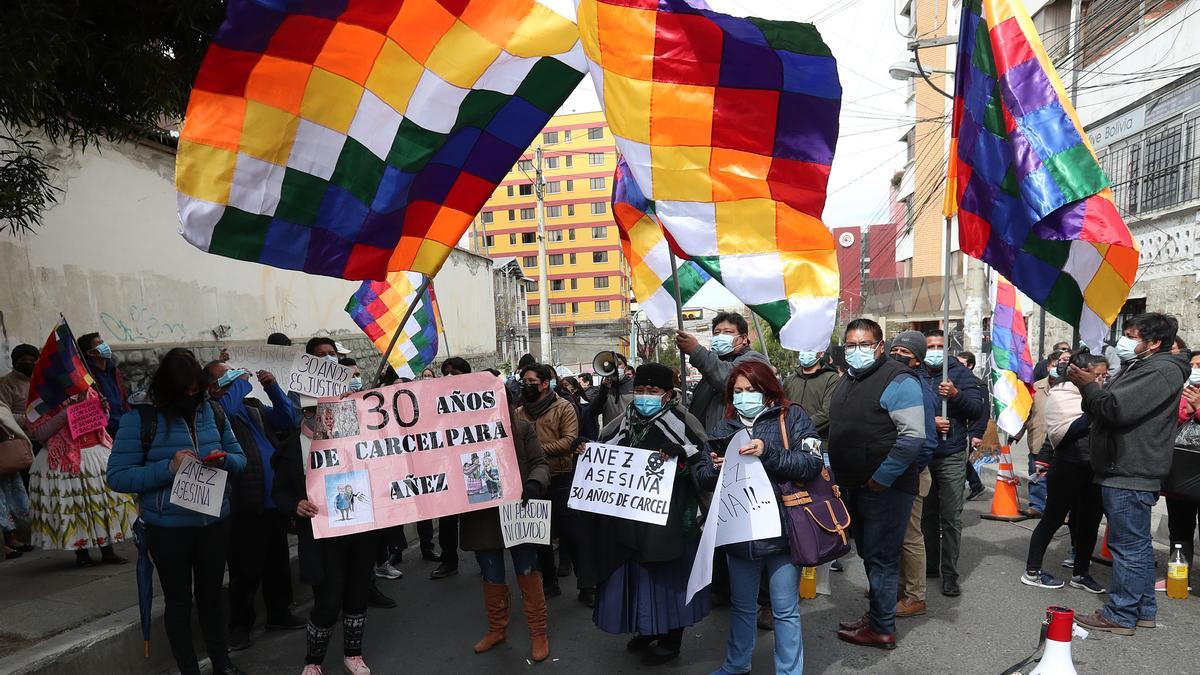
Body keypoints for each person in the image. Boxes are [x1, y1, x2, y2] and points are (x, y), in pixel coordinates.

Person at [107, 348, 248, 675]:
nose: (191, 397)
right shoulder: (139, 419)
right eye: (184, 392)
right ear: (167, 389)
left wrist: (224, 460)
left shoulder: (212, 411)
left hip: (214, 522)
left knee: (212, 597)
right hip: (167, 529)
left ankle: (222, 663)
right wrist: (168, 468)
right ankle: (188, 669)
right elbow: (118, 476)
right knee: (179, 603)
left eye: (195, 391)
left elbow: (240, 459)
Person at [570, 363, 711, 666]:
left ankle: (672, 639)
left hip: (671, 521)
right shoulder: (623, 421)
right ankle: (646, 629)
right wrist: (585, 450)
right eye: (641, 390)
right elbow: (605, 452)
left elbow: (703, 458)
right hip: (630, 521)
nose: (645, 396)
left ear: (668, 394)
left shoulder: (683, 421)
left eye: (653, 391)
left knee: (667, 579)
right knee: (636, 577)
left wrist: (681, 456)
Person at [693, 360, 822, 673]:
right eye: (737, 391)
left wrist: (769, 452)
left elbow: (811, 464)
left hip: (783, 531)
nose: (743, 397)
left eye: (750, 390)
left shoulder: (792, 417)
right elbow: (701, 476)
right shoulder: (724, 428)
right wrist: (714, 468)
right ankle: (736, 665)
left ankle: (789, 670)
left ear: (767, 391)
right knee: (741, 607)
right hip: (740, 533)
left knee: (785, 610)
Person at [1069, 313, 1188, 636]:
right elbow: (1103, 405)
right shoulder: (1141, 366)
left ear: (1154, 343)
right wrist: (1091, 390)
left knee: (1128, 546)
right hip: (1121, 465)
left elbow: (1115, 409)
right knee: (1136, 544)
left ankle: (1121, 614)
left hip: (1131, 468)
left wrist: (1088, 386)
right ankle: (1143, 609)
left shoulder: (1161, 370)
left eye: (1133, 336)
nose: (1124, 341)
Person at [829, 319, 926, 649]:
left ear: (880, 346)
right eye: (851, 345)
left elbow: (912, 438)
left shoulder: (899, 380)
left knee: (883, 559)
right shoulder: (851, 379)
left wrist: (880, 479)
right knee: (871, 555)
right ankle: (877, 614)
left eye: (865, 345)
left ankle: (882, 628)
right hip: (856, 486)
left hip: (885, 489)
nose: (857, 351)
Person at [203, 361, 305, 651]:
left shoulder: (252, 407)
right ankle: (240, 626)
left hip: (273, 500)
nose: (235, 377)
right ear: (212, 386)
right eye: (227, 375)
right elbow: (226, 409)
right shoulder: (214, 410)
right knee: (245, 569)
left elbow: (287, 420)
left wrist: (273, 388)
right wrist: (242, 381)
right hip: (244, 501)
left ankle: (279, 612)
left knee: (277, 561)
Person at [460, 392, 552, 662]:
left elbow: (540, 464)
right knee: (491, 575)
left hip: (518, 512)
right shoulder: (461, 435)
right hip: (482, 518)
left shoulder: (522, 428)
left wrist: (535, 483)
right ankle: (497, 629)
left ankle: (539, 633)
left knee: (527, 570)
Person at [1021, 354, 1108, 594]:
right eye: (1095, 374)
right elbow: (1063, 431)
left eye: (1104, 375)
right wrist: (1096, 408)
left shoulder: (1102, 394)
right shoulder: (1063, 392)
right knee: (1053, 517)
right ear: (1079, 373)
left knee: (1089, 522)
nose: (1100, 379)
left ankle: (1081, 573)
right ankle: (1033, 570)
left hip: (1095, 467)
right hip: (1068, 465)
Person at [28, 375, 137, 564]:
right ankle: (81, 552)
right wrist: (68, 412)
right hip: (64, 460)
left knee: (101, 505)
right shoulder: (43, 400)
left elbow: (100, 424)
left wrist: (103, 411)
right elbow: (40, 433)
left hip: (94, 456)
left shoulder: (89, 392)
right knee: (77, 506)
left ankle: (108, 549)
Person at [920, 330, 984, 597]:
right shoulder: (917, 372)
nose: (934, 351)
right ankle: (930, 565)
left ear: (947, 349)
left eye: (939, 346)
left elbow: (977, 409)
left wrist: (956, 395)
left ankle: (950, 574)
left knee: (950, 517)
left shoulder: (961, 374)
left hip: (951, 453)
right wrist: (929, 420)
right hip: (924, 453)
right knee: (927, 515)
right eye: (930, 346)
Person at [515, 364, 580, 600]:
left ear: (545, 383)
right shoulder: (519, 412)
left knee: (571, 533)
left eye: (532, 381)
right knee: (539, 536)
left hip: (560, 476)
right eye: (524, 381)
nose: (527, 385)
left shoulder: (564, 407)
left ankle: (586, 586)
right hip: (533, 482)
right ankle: (549, 582)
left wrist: (535, 451)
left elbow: (569, 441)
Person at [888, 332, 939, 619]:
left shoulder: (918, 388)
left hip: (912, 473)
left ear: (916, 360)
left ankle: (915, 596)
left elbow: (927, 440)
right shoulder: (894, 382)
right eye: (893, 349)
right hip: (895, 471)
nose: (896, 355)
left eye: (904, 352)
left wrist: (908, 468)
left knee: (909, 536)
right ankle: (897, 587)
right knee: (894, 534)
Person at [675, 312, 769, 433]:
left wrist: (696, 351)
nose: (720, 336)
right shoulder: (713, 368)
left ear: (744, 338)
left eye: (727, 332)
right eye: (716, 333)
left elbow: (728, 378)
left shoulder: (754, 360)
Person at [425, 356, 474, 580]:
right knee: (447, 521)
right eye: (446, 372)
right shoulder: (433, 401)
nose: (449, 377)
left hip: (474, 467)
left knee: (480, 518)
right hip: (447, 469)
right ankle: (449, 560)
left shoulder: (479, 397)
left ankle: (488, 559)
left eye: (455, 372)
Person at [1160, 349, 1200, 592]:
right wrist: (1188, 408)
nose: (1196, 369)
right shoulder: (1180, 391)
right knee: (1180, 532)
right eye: (1194, 364)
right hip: (1181, 478)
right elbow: (1168, 421)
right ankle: (1179, 579)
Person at [1021, 349, 1069, 518]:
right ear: (1049, 366)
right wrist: (1017, 433)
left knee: (1063, 480)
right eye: (1055, 364)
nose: (1058, 368)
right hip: (1038, 439)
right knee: (1036, 475)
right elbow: (1026, 412)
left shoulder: (1071, 388)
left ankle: (1065, 510)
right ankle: (1037, 505)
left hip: (1062, 443)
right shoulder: (1036, 387)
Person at [77, 333, 130, 436]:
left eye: (102, 342)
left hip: (123, 425)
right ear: (90, 353)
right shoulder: (86, 375)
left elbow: (124, 398)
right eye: (98, 343)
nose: (104, 345)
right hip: (105, 430)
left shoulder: (114, 370)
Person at [781, 348, 840, 440]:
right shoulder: (789, 380)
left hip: (819, 441)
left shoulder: (831, 378)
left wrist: (799, 427)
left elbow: (827, 413)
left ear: (821, 353)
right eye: (803, 349)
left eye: (810, 349)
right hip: (791, 441)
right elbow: (782, 407)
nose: (805, 353)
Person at [0, 401, 33, 558]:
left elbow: (6, 414)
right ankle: (7, 539)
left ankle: (12, 536)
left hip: (5, 455)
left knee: (11, 494)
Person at [956, 352, 987, 500]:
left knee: (960, 462)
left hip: (972, 430)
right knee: (960, 460)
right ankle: (976, 484)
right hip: (960, 428)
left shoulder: (978, 384)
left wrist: (978, 434)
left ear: (970, 366)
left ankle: (972, 486)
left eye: (962, 364)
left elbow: (983, 411)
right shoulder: (955, 380)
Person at [0, 344, 38, 435]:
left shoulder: (40, 379)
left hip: (43, 432)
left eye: (32, 360)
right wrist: (25, 420)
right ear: (15, 362)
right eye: (24, 360)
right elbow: (3, 414)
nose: (28, 363)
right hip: (19, 435)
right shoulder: (6, 383)